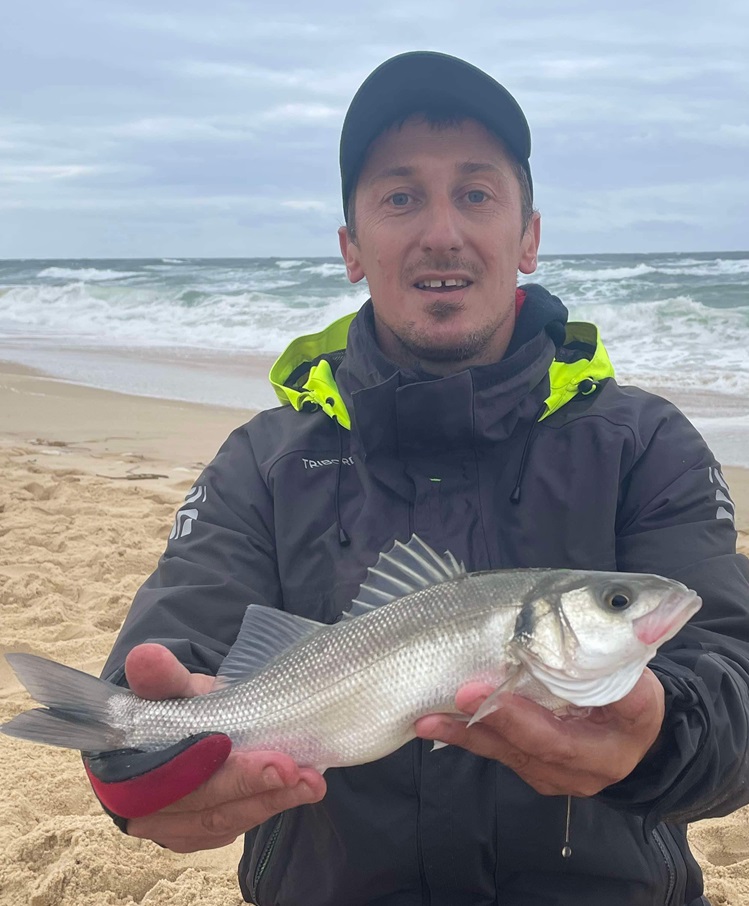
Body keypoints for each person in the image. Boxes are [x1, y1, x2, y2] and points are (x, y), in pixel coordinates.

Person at [91, 52, 749, 905]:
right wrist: (143, 775)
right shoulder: (263, 461)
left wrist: (662, 737)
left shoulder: (644, 443)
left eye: (475, 193)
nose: (442, 232)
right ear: (351, 248)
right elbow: (152, 680)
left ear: (528, 238)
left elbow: (733, 687)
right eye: (400, 198)